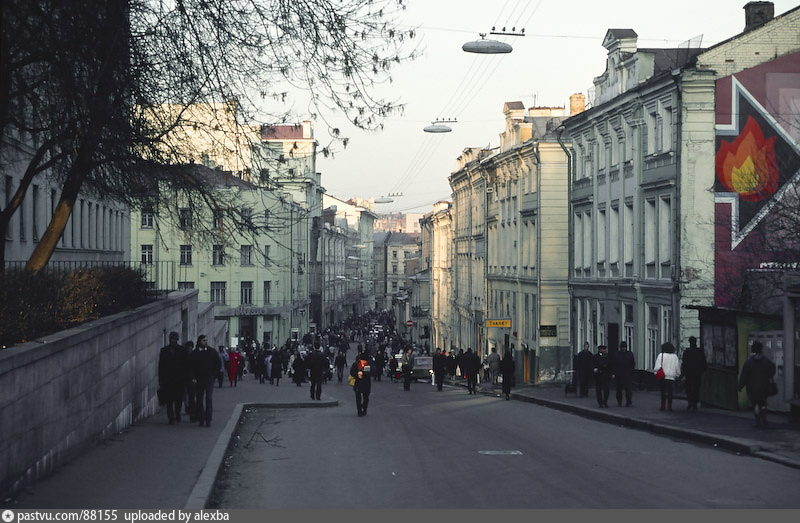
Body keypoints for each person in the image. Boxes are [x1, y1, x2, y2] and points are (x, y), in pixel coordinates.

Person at [738, 341, 777, 427]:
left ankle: (758, 421)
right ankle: (764, 418)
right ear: (761, 349)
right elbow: (772, 371)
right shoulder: (766, 361)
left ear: (753, 349)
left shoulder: (748, 362)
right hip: (764, 387)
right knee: (763, 403)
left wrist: (740, 386)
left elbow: (744, 375)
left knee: (755, 404)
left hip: (752, 388)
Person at [190, 335, 221, 427]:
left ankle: (208, 419)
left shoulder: (212, 351)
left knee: (208, 398)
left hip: (209, 379)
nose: (206, 342)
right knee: (199, 400)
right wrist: (193, 377)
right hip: (198, 379)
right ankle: (201, 418)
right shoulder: (194, 353)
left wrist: (214, 375)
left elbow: (218, 363)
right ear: (199, 341)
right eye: (204, 340)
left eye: (206, 340)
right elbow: (190, 366)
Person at [158, 332, 188, 424]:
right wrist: (161, 379)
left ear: (177, 340)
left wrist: (185, 378)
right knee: (169, 400)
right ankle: (171, 417)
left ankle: (177, 413)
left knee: (178, 400)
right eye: (171, 339)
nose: (173, 340)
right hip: (168, 380)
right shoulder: (164, 350)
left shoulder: (182, 350)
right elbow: (161, 366)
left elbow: (186, 365)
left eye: (174, 339)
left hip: (179, 380)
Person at [681, 336, 708, 411]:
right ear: (695, 342)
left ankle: (690, 403)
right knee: (696, 388)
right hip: (697, 372)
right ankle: (695, 403)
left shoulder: (687, 351)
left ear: (689, 342)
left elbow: (684, 363)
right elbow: (703, 362)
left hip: (688, 373)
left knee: (689, 388)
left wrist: (683, 373)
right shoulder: (700, 351)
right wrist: (704, 370)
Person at [654, 342, 681, 411]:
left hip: (663, 377)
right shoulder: (675, 357)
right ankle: (669, 406)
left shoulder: (661, 355)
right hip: (671, 377)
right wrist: (678, 374)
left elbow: (657, 366)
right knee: (670, 392)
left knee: (663, 392)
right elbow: (677, 367)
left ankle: (662, 406)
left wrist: (656, 373)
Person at [612, 341, 635, 407]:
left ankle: (628, 401)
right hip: (619, 374)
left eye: (624, 347)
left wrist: (631, 371)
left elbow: (632, 363)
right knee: (619, 389)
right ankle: (619, 402)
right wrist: (614, 373)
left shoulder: (630, 354)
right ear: (620, 348)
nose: (623, 348)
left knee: (628, 389)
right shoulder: (617, 354)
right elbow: (614, 364)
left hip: (627, 374)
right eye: (622, 347)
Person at [350, 350, 373, 416]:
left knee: (358, 398)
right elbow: (372, 373)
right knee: (366, 397)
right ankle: (364, 410)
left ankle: (359, 411)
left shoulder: (356, 364)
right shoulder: (369, 364)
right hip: (366, 383)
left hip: (358, 383)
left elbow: (352, 373)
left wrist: (358, 375)